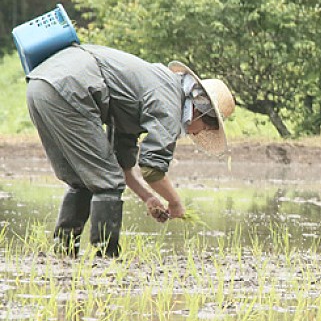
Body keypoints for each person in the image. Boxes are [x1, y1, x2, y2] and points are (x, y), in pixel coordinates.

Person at [25, 43, 235, 258]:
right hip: (70, 89)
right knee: (106, 182)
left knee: (83, 180)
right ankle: (106, 256)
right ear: (200, 113)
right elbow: (152, 170)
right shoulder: (170, 105)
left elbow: (121, 165)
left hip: (41, 85)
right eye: (206, 129)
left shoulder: (156, 88)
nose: (197, 134)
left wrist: (148, 198)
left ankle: (64, 252)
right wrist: (175, 203)